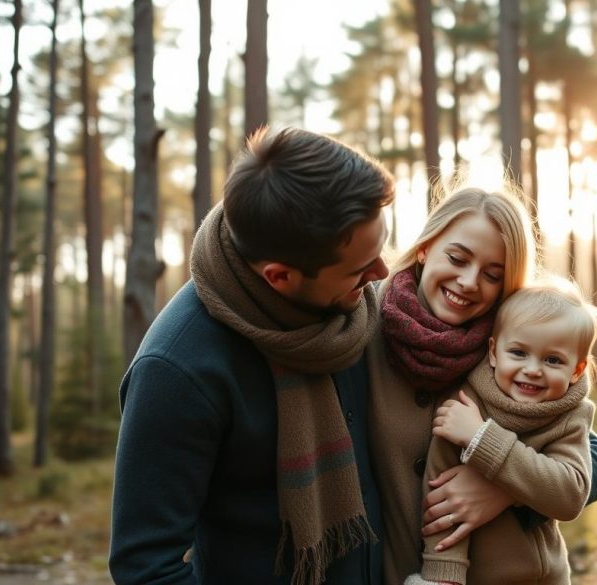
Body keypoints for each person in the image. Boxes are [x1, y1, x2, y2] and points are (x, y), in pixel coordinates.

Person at [110, 126, 395, 585]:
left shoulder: (356, 310)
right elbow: (145, 568)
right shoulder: (177, 370)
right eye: (362, 269)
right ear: (280, 278)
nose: (383, 274)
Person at [365, 186, 597, 584]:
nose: (468, 282)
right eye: (457, 258)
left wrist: (503, 490)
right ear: (427, 246)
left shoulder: (515, 349)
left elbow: (593, 459)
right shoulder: (365, 324)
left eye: (492, 275)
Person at [405, 278, 597, 584]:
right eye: (519, 353)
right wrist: (443, 574)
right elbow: (441, 492)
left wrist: (482, 440)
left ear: (576, 370)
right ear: (494, 352)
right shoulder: (467, 404)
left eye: (553, 360)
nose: (533, 369)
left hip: (547, 578)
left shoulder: (570, 415)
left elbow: (570, 494)